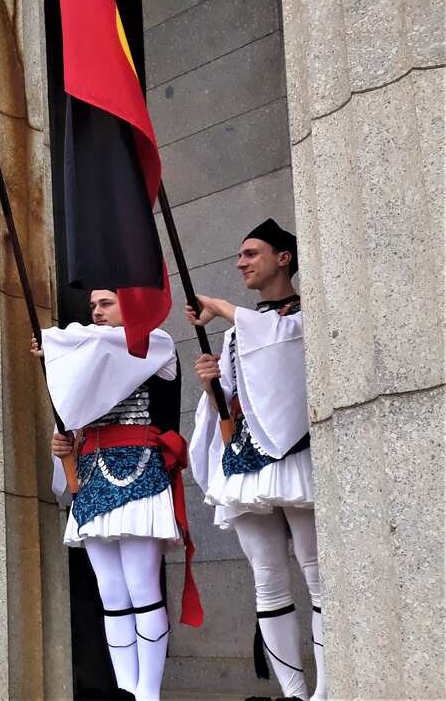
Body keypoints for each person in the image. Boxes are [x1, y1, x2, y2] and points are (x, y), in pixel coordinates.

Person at [36, 290, 202, 701]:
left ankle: (148, 693)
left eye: (106, 303)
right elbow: (76, 416)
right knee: (111, 591)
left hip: (139, 471)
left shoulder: (154, 343)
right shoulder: (87, 357)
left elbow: (109, 346)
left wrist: (55, 345)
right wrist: (65, 445)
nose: (96, 312)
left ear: (130, 306)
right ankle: (126, 691)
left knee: (142, 585)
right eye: (93, 305)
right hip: (94, 475)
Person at [187, 218, 324, 701]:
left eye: (251, 253)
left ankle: (326, 691)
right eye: (240, 256)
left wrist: (225, 308)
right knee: (267, 579)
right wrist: (211, 385)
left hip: (296, 454)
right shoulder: (235, 333)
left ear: (283, 257)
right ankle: (295, 693)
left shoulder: (308, 313)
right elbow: (233, 400)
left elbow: (282, 348)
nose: (241, 262)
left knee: (316, 572)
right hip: (249, 461)